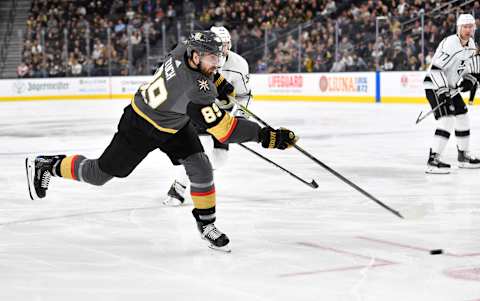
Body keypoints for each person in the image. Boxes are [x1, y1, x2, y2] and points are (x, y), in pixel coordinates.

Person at [25, 31, 297, 252]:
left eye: (219, 57)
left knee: (201, 166)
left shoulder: (184, 48)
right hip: (141, 125)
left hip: (174, 123)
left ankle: (206, 225)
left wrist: (219, 79)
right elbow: (225, 131)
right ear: (196, 55)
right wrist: (267, 136)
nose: (217, 63)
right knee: (98, 174)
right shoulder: (195, 89)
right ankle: (47, 165)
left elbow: (205, 74)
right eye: (212, 58)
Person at [164, 26, 252, 206]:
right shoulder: (198, 60)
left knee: (220, 160)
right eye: (219, 46)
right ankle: (178, 187)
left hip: (223, 114)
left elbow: (244, 95)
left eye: (226, 45)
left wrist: (241, 116)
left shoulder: (239, 64)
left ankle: (194, 173)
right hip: (201, 111)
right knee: (202, 151)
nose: (222, 50)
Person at [423, 14, 480, 174]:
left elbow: (465, 68)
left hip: (451, 88)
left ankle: (463, 156)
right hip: (434, 85)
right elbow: (435, 69)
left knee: (462, 116)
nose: (469, 30)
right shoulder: (450, 43)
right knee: (447, 119)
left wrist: (469, 79)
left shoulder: (471, 46)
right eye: (466, 27)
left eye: (471, 27)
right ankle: (433, 160)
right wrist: (442, 91)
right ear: (459, 28)